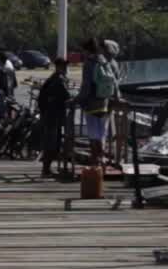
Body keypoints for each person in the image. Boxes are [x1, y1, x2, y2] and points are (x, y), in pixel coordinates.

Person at [76, 38, 116, 166]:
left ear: (87, 50)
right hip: (104, 101)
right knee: (101, 133)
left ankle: (95, 163)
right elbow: (114, 81)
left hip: (91, 103)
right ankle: (102, 161)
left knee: (93, 135)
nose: (82, 53)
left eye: (83, 50)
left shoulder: (89, 63)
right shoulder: (104, 60)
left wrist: (77, 99)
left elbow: (86, 86)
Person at [38, 58, 71, 178]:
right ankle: (46, 170)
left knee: (52, 142)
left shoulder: (51, 79)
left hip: (49, 114)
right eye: (64, 66)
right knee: (52, 143)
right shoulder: (58, 80)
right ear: (58, 67)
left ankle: (46, 169)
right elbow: (67, 95)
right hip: (53, 115)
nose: (66, 69)